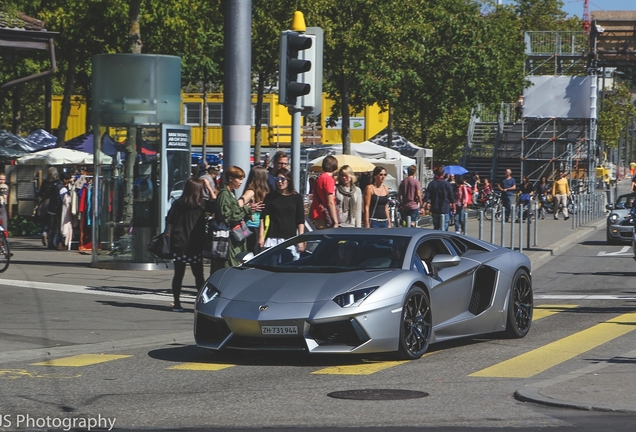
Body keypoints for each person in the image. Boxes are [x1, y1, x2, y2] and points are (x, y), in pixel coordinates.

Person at [166, 178, 215, 312]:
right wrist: (209, 188)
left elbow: (170, 220)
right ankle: (202, 303)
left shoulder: (178, 203)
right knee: (198, 275)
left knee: (178, 274)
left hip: (179, 242)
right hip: (195, 243)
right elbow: (215, 204)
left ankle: (177, 303)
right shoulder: (202, 204)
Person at [211, 166, 262, 271]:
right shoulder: (224, 194)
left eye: (242, 179)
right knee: (228, 266)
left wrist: (248, 210)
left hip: (234, 238)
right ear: (230, 178)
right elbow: (226, 216)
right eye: (239, 179)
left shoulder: (231, 193)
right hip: (227, 239)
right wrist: (246, 209)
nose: (241, 182)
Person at [258, 168, 305, 253]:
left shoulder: (297, 198)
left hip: (290, 237)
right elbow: (263, 217)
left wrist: (301, 239)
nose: (279, 182)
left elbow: (300, 219)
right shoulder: (270, 196)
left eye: (282, 179)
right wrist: (261, 236)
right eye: (277, 179)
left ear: (289, 180)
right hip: (272, 237)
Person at [239, 166, 269, 253]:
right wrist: (249, 207)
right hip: (252, 226)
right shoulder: (251, 191)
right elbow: (239, 204)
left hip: (262, 226)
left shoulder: (264, 191)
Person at [310, 155, 339, 229]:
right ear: (335, 168)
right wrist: (335, 221)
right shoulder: (328, 179)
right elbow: (330, 202)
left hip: (317, 214)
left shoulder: (318, 178)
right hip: (325, 217)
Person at [424, 166, 455, 231]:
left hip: (435, 208)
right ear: (443, 174)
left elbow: (427, 196)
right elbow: (452, 197)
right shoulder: (447, 184)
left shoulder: (432, 184)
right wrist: (454, 208)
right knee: (444, 227)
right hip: (445, 208)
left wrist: (423, 206)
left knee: (436, 227)